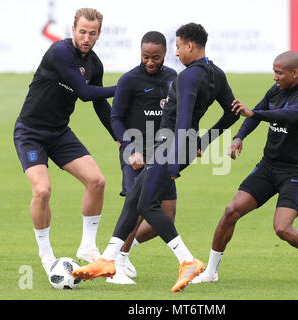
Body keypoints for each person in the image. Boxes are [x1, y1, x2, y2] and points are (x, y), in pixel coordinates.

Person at [72, 22, 240, 292]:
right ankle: (108, 260)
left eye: (177, 46)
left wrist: (174, 159)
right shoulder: (216, 74)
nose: (176, 52)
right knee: (137, 199)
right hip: (177, 147)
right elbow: (232, 112)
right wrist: (204, 141)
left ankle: (187, 260)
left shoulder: (185, 77)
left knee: (148, 205)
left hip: (168, 148)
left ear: (189, 45)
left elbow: (182, 119)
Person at [191, 50, 298, 285]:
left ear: (295, 73)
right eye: (274, 72)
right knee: (231, 211)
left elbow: (287, 115)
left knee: (282, 228)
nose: (275, 77)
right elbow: (253, 116)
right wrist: (239, 138)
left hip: (296, 170)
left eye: (279, 73)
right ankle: (211, 272)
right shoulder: (276, 91)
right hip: (268, 166)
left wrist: (256, 113)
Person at [13, 8, 117, 275]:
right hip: (31, 132)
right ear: (73, 30)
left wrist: (119, 137)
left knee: (97, 181)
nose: (86, 37)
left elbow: (99, 103)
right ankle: (46, 254)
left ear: (99, 34)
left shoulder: (95, 64)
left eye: (92, 33)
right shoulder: (59, 52)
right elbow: (83, 93)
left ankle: (87, 247)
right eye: (82, 31)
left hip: (59, 133)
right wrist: (127, 86)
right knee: (42, 191)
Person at [108, 31, 178, 285]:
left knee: (167, 215)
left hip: (162, 154)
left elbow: (178, 114)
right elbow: (115, 118)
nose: (150, 62)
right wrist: (129, 148)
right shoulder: (129, 80)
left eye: (156, 57)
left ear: (164, 54)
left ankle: (122, 254)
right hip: (135, 153)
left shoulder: (172, 77)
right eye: (146, 56)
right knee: (136, 209)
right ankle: (115, 265)